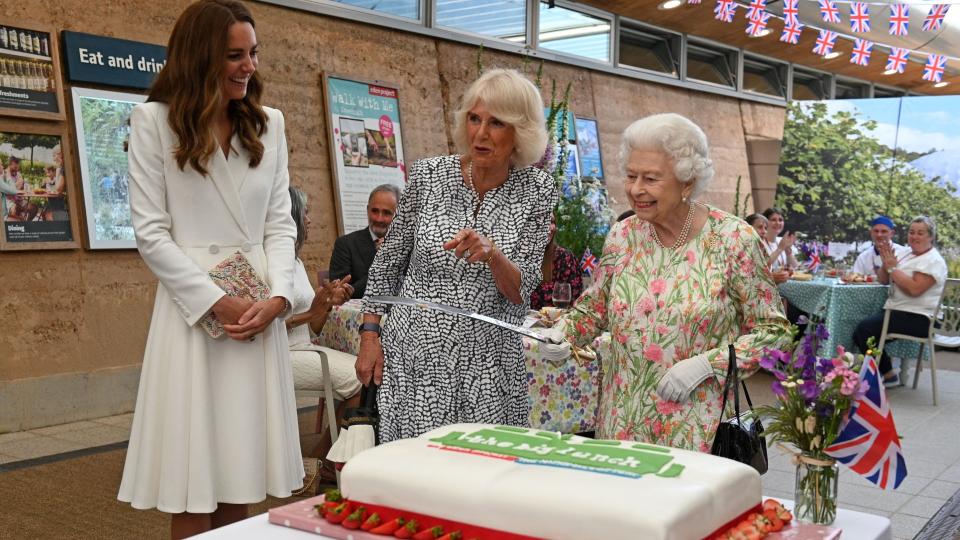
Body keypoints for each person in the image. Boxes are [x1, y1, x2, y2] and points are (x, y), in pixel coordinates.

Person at [117, 2, 303, 537]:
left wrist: (279, 299)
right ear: (200, 58)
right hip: (194, 315)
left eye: (253, 53)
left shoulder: (270, 124)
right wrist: (216, 302)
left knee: (242, 473)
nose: (249, 66)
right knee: (194, 481)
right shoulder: (154, 121)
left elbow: (281, 224)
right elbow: (151, 234)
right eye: (234, 56)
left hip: (258, 311)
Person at [541, 113, 792, 452]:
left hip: (695, 432)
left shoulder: (734, 240)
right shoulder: (622, 235)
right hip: (620, 426)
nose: (636, 190)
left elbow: (774, 334)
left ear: (687, 181)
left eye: (651, 178)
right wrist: (566, 333)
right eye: (631, 176)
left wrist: (707, 365)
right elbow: (593, 308)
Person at [355, 68, 557, 443]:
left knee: (480, 475)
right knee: (416, 471)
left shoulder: (538, 190)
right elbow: (388, 263)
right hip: (416, 356)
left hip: (488, 363)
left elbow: (522, 292)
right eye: (474, 119)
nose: (480, 133)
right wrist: (370, 334)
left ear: (521, 132)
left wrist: (493, 254)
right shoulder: (429, 175)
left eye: (496, 123)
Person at [285, 187, 360, 471]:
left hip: (304, 346)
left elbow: (314, 326)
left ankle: (323, 455)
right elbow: (267, 324)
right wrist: (313, 311)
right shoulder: (271, 262)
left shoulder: (296, 261)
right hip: (282, 353)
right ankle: (329, 461)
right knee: (359, 377)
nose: (310, 220)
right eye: (305, 213)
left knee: (364, 370)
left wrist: (327, 303)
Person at [853, 216, 947, 387]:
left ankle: (886, 374)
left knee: (865, 329)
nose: (914, 237)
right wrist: (885, 262)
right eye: (911, 232)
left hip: (920, 318)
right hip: (898, 312)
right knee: (862, 328)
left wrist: (892, 268)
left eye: (920, 233)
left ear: (931, 237)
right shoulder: (905, 253)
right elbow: (883, 279)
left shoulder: (933, 260)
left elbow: (914, 289)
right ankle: (883, 373)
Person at [328, 183, 400, 299]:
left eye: (387, 213)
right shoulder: (346, 244)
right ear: (367, 210)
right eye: (374, 211)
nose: (379, 218)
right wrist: (382, 262)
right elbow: (341, 294)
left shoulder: (409, 247)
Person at [530, 214, 583, 310]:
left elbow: (575, 299)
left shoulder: (565, 258)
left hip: (555, 322)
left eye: (551, 221)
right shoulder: (517, 258)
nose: (549, 227)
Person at [746, 213, 789, 284]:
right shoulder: (742, 250)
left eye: (765, 228)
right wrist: (771, 278)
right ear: (748, 228)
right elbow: (746, 281)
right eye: (760, 227)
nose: (764, 231)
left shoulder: (759, 248)